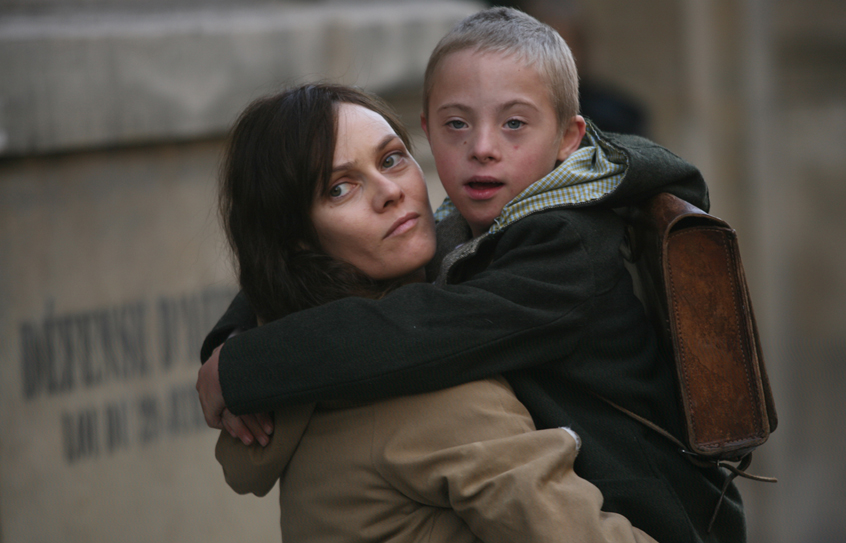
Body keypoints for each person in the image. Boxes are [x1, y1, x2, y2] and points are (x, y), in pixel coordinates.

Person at [198, 7, 746, 542]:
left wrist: (246, 364)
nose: (483, 148)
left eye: (390, 159)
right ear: (429, 131)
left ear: (567, 138)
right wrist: (233, 337)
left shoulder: (565, 250)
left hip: (665, 511)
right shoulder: (470, 221)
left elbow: (419, 328)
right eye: (457, 124)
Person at [213, 82, 657, 543]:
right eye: (340, 188)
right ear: (297, 239)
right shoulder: (437, 400)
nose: (389, 191)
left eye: (391, 158)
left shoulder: (302, 362)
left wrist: (231, 347)